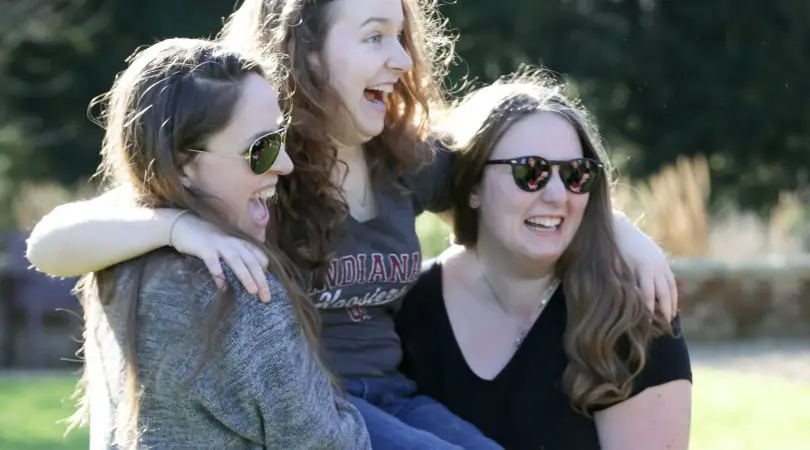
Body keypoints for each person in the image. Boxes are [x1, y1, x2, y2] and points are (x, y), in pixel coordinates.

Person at [26, 0, 677, 448]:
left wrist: (621, 231)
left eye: (400, 37)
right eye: (373, 37)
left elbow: (520, 183)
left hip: (394, 394)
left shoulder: (404, 161)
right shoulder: (259, 166)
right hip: (317, 411)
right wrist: (177, 228)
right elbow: (53, 242)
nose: (400, 59)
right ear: (304, 50)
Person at [66, 37, 370, 449]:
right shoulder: (240, 290)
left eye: (280, 139)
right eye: (260, 149)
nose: (285, 164)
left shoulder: (113, 266)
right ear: (182, 166)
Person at [396, 71, 692, 450]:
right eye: (529, 172)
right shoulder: (407, 308)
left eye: (575, 174)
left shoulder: (630, 312)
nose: (558, 195)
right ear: (472, 188)